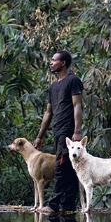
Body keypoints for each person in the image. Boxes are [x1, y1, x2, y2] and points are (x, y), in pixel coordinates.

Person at [33, 50, 83, 212]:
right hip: (57, 130)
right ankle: (67, 205)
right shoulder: (53, 86)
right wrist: (40, 136)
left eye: (54, 60)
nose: (51, 62)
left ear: (63, 63)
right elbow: (48, 112)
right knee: (69, 167)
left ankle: (53, 204)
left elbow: (77, 105)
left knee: (61, 166)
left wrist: (77, 131)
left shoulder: (73, 81)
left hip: (67, 131)